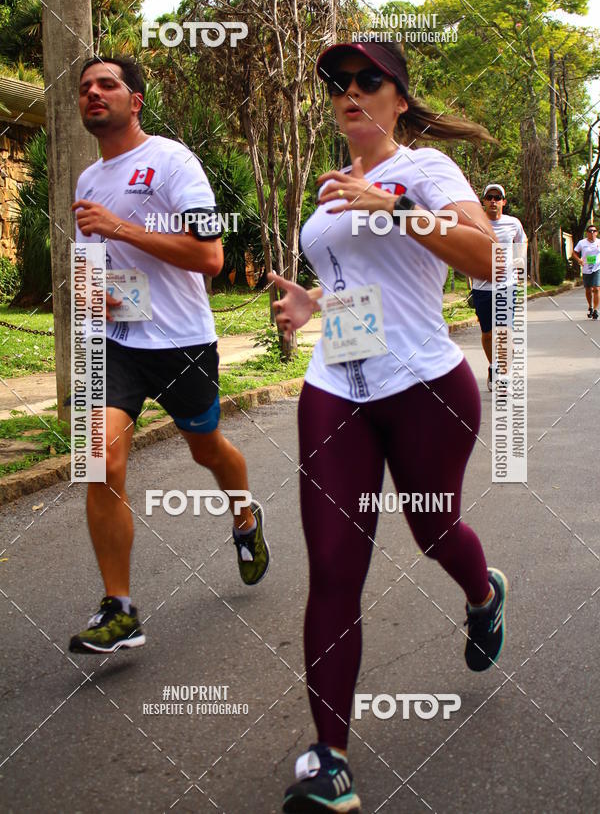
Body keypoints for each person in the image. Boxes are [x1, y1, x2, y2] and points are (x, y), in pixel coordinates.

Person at [270, 40, 508, 813]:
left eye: (369, 80)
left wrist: (399, 207)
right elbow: (359, 286)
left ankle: (482, 593)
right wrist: (313, 304)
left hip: (425, 387)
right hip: (336, 386)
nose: (351, 92)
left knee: (433, 532)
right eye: (340, 83)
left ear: (399, 99)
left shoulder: (429, 173)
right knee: (336, 566)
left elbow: (489, 263)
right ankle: (328, 759)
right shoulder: (331, 191)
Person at [69, 56, 269, 654]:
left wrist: (121, 229)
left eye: (107, 84)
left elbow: (210, 257)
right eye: (84, 89)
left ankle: (245, 517)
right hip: (119, 343)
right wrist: (88, 294)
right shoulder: (86, 181)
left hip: (182, 342)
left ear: (135, 100)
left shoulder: (174, 161)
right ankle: (121, 607)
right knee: (98, 459)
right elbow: (87, 261)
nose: (93, 94)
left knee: (206, 447)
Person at [470, 184, 527, 390]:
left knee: (504, 331)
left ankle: (505, 375)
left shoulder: (513, 223)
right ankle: (493, 366)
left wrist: (519, 258)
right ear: (484, 201)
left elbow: (522, 240)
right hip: (482, 287)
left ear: (504, 201)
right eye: (489, 197)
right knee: (487, 333)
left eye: (497, 197)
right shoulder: (476, 222)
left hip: (506, 286)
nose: (493, 201)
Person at [573, 224, 600, 319]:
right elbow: (574, 252)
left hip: (597, 268)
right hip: (586, 269)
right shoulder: (582, 243)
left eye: (594, 231)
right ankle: (590, 306)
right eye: (590, 231)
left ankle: (596, 310)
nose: (592, 233)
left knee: (596, 288)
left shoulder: (599, 242)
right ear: (587, 233)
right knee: (588, 290)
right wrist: (579, 260)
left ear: (596, 233)